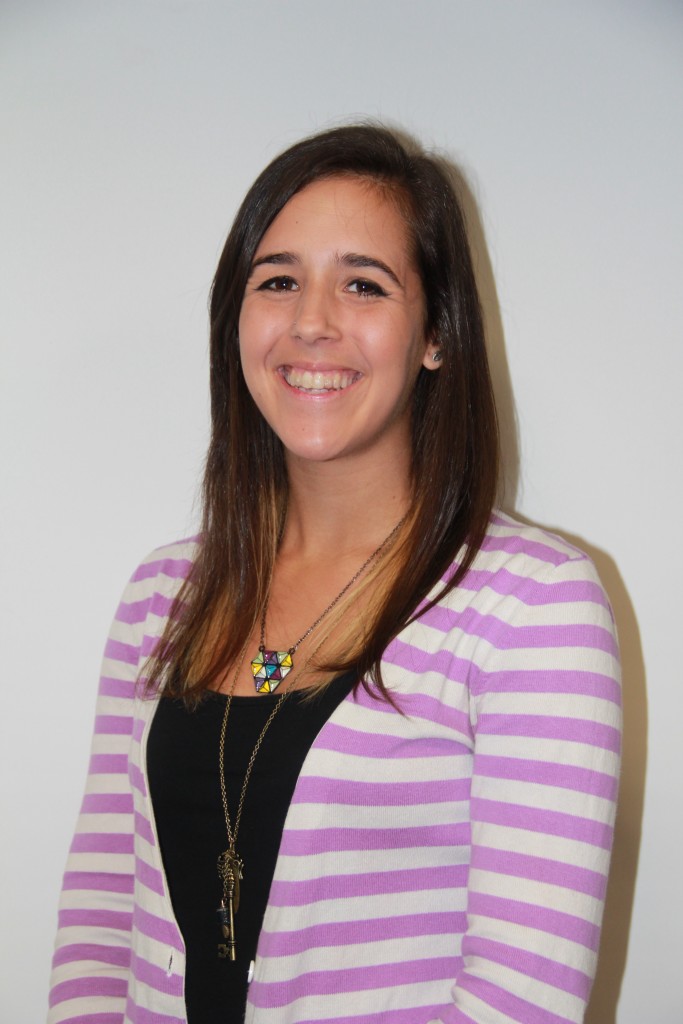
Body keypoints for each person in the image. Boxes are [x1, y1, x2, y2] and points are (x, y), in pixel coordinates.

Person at [48, 124, 621, 1024]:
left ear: (436, 333)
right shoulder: (163, 596)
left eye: (363, 283)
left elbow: (519, 1002)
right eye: (277, 280)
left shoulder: (533, 606)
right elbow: (99, 911)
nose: (311, 321)